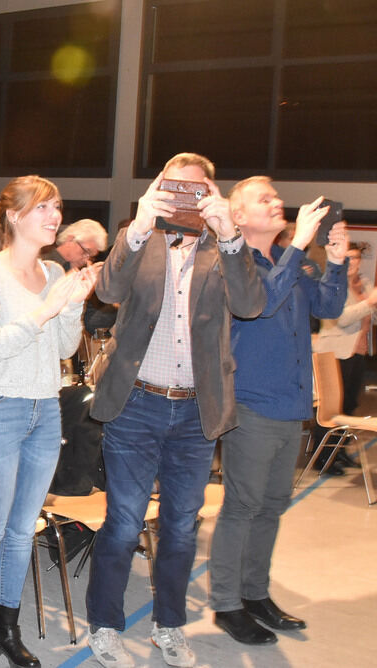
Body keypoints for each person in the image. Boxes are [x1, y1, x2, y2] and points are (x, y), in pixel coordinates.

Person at [85, 152, 265, 668]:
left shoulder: (224, 248)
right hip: (137, 403)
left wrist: (228, 231)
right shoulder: (144, 240)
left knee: (183, 526)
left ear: (211, 194)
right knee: (123, 523)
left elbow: (251, 305)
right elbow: (107, 290)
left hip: (195, 413)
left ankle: (170, 625)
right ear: (160, 189)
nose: (185, 197)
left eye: (197, 189)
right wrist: (140, 225)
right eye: (175, 187)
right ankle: (105, 625)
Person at [0, 176, 98, 668]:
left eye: (57, 207)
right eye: (43, 207)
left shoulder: (55, 270)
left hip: (44, 408)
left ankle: (6, 627)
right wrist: (46, 309)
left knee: (22, 532)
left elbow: (62, 350)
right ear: (13, 216)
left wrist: (73, 302)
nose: (54, 216)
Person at [209, 176, 346, 645]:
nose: (278, 202)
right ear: (238, 217)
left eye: (276, 195)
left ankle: (255, 593)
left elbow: (329, 302)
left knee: (271, 506)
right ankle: (227, 604)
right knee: (242, 506)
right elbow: (261, 306)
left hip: (291, 404)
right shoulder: (234, 263)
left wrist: (339, 261)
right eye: (264, 198)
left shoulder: (293, 260)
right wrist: (301, 245)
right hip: (252, 403)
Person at [313, 241, 377, 473]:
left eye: (357, 259)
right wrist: (369, 302)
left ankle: (340, 451)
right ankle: (324, 457)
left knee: (350, 405)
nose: (352, 263)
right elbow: (341, 318)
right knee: (332, 408)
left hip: (358, 352)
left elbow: (372, 315)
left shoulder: (364, 283)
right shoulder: (333, 285)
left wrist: (371, 303)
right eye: (348, 258)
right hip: (335, 352)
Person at [42, 218, 108, 270]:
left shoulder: (81, 273)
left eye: (91, 257)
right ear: (70, 239)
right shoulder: (42, 264)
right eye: (85, 251)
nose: (86, 260)